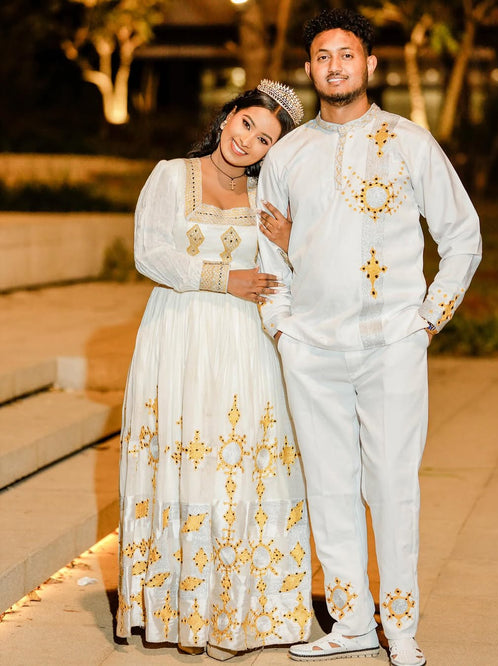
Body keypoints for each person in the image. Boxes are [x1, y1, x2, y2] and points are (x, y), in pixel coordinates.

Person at [257, 9, 482, 666]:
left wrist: (427, 316)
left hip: (390, 345)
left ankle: (401, 628)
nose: (334, 66)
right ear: (308, 68)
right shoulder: (288, 154)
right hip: (311, 351)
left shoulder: (409, 142)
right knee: (328, 487)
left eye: (346, 54)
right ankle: (352, 621)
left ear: (369, 65)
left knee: (391, 488)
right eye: (322, 56)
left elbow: (461, 236)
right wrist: (282, 328)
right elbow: (270, 255)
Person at [116, 80, 314, 661]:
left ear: (273, 152)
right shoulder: (172, 175)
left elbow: (299, 274)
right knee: (184, 455)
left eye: (265, 139)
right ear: (228, 114)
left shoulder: (270, 199)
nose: (248, 140)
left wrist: (292, 241)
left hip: (246, 349)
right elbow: (149, 252)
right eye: (246, 123)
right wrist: (223, 279)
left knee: (245, 461)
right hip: (179, 335)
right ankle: (179, 610)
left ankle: (244, 610)